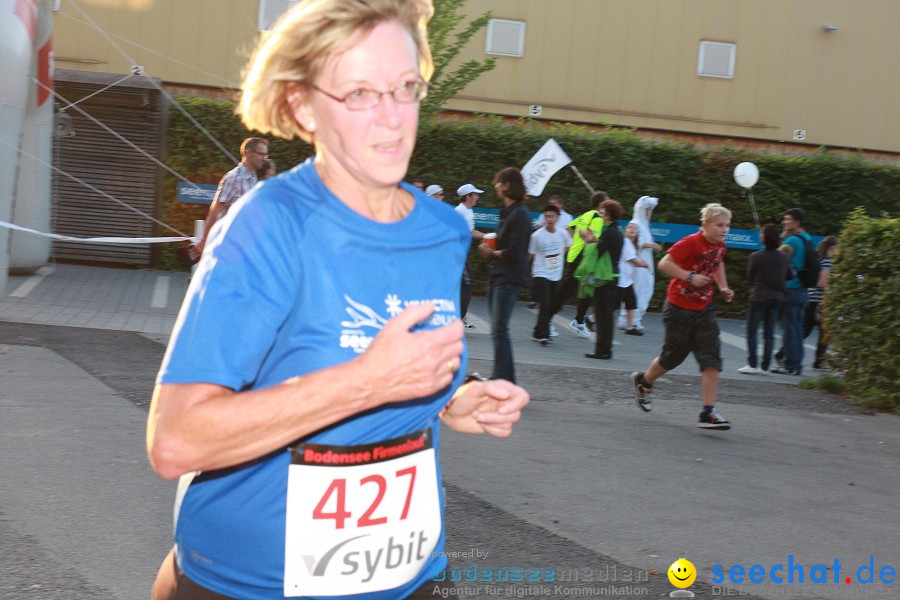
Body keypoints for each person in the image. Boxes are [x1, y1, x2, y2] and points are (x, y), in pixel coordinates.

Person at [147, 2, 530, 599]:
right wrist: (366, 382)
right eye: (358, 93)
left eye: (406, 88)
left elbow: (378, 355)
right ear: (303, 105)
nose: (392, 119)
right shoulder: (271, 223)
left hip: (407, 577)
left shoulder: (443, 231)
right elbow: (178, 441)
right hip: (252, 583)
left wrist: (450, 399)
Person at [630, 203, 735, 430]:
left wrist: (724, 287)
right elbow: (664, 263)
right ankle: (644, 382)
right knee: (672, 357)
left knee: (711, 359)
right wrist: (689, 277)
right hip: (678, 308)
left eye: (727, 225)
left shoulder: (720, 245)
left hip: (704, 309)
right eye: (719, 225)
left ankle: (708, 412)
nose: (724, 229)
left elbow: (717, 264)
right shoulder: (691, 242)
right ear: (705, 225)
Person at [477, 167, 530, 382]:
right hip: (498, 275)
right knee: (497, 331)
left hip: (508, 278)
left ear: (507, 185)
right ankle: (501, 378)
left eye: (498, 182)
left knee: (500, 331)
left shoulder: (521, 214)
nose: (496, 186)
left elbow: (517, 252)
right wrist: (489, 248)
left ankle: (505, 381)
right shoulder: (508, 212)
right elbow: (503, 244)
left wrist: (492, 252)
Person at [189, 137, 269, 261]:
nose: (264, 158)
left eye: (265, 154)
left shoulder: (253, 177)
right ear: (248, 153)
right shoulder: (234, 178)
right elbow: (216, 210)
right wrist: (204, 241)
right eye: (261, 154)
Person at [550, 191, 609, 337]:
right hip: (584, 258)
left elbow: (569, 227)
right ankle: (547, 320)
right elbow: (592, 238)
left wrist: (574, 243)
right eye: (607, 201)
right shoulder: (597, 218)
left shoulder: (587, 214)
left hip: (578, 256)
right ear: (601, 204)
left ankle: (579, 321)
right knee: (567, 290)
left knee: (588, 290)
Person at [737, 223, 792, 374]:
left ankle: (752, 364)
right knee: (769, 332)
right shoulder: (784, 257)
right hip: (778, 297)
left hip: (759, 295)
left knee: (752, 330)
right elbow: (790, 274)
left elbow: (750, 277)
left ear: (764, 237)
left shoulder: (756, 256)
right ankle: (765, 366)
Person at [579, 199, 624, 359]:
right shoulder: (616, 230)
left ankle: (601, 350)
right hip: (613, 275)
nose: (601, 215)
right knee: (606, 315)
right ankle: (605, 350)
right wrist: (595, 240)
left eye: (603, 212)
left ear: (609, 214)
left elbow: (598, 250)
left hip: (605, 276)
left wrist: (589, 241)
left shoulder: (609, 231)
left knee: (602, 314)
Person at [771, 208, 813, 375]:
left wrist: (781, 237)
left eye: (787, 219)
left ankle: (790, 366)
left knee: (789, 330)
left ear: (796, 222)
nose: (784, 222)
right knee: (797, 329)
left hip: (791, 290)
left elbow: (775, 257)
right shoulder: (807, 238)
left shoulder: (793, 241)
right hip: (803, 290)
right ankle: (796, 365)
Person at [528, 204, 571, 345]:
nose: (549, 219)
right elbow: (531, 254)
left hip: (556, 273)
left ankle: (537, 330)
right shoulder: (536, 236)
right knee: (545, 304)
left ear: (557, 218)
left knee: (553, 304)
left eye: (552, 216)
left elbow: (567, 246)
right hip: (541, 272)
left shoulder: (562, 233)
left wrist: (557, 258)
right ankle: (544, 335)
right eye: (547, 216)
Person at [618, 195, 660, 331]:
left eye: (650, 210)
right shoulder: (636, 223)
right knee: (638, 292)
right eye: (646, 210)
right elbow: (637, 242)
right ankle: (630, 320)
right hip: (638, 265)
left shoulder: (645, 225)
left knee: (644, 291)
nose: (648, 213)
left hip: (645, 264)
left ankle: (633, 319)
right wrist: (653, 246)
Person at [455, 183, 485, 330]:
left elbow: (471, 231)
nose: (477, 197)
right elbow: (470, 233)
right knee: (468, 283)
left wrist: (486, 236)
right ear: (468, 196)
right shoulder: (460, 211)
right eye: (475, 195)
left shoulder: (468, 211)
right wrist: (487, 236)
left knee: (463, 284)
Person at [807, 235, 838, 369]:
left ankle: (783, 353)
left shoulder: (819, 260)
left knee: (805, 331)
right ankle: (819, 361)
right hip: (821, 302)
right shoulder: (827, 262)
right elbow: (822, 283)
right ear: (832, 248)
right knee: (825, 334)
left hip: (812, 300)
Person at [617, 223, 650, 336]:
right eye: (629, 228)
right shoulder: (626, 243)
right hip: (620, 280)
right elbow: (633, 261)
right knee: (612, 306)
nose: (632, 229)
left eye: (634, 228)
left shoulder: (632, 245)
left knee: (631, 303)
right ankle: (592, 319)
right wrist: (644, 264)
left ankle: (630, 327)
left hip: (627, 281)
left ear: (638, 233)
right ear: (625, 231)